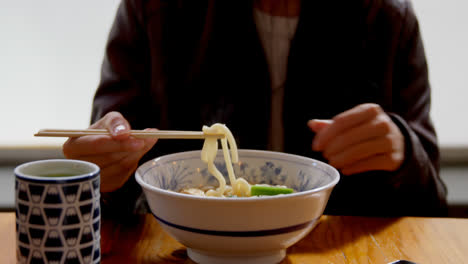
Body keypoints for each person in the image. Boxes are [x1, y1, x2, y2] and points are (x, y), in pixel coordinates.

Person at [63, 0, 448, 219]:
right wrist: (104, 174)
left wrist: (403, 153)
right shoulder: (155, 10)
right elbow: (106, 181)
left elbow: (433, 205)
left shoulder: (385, 17)